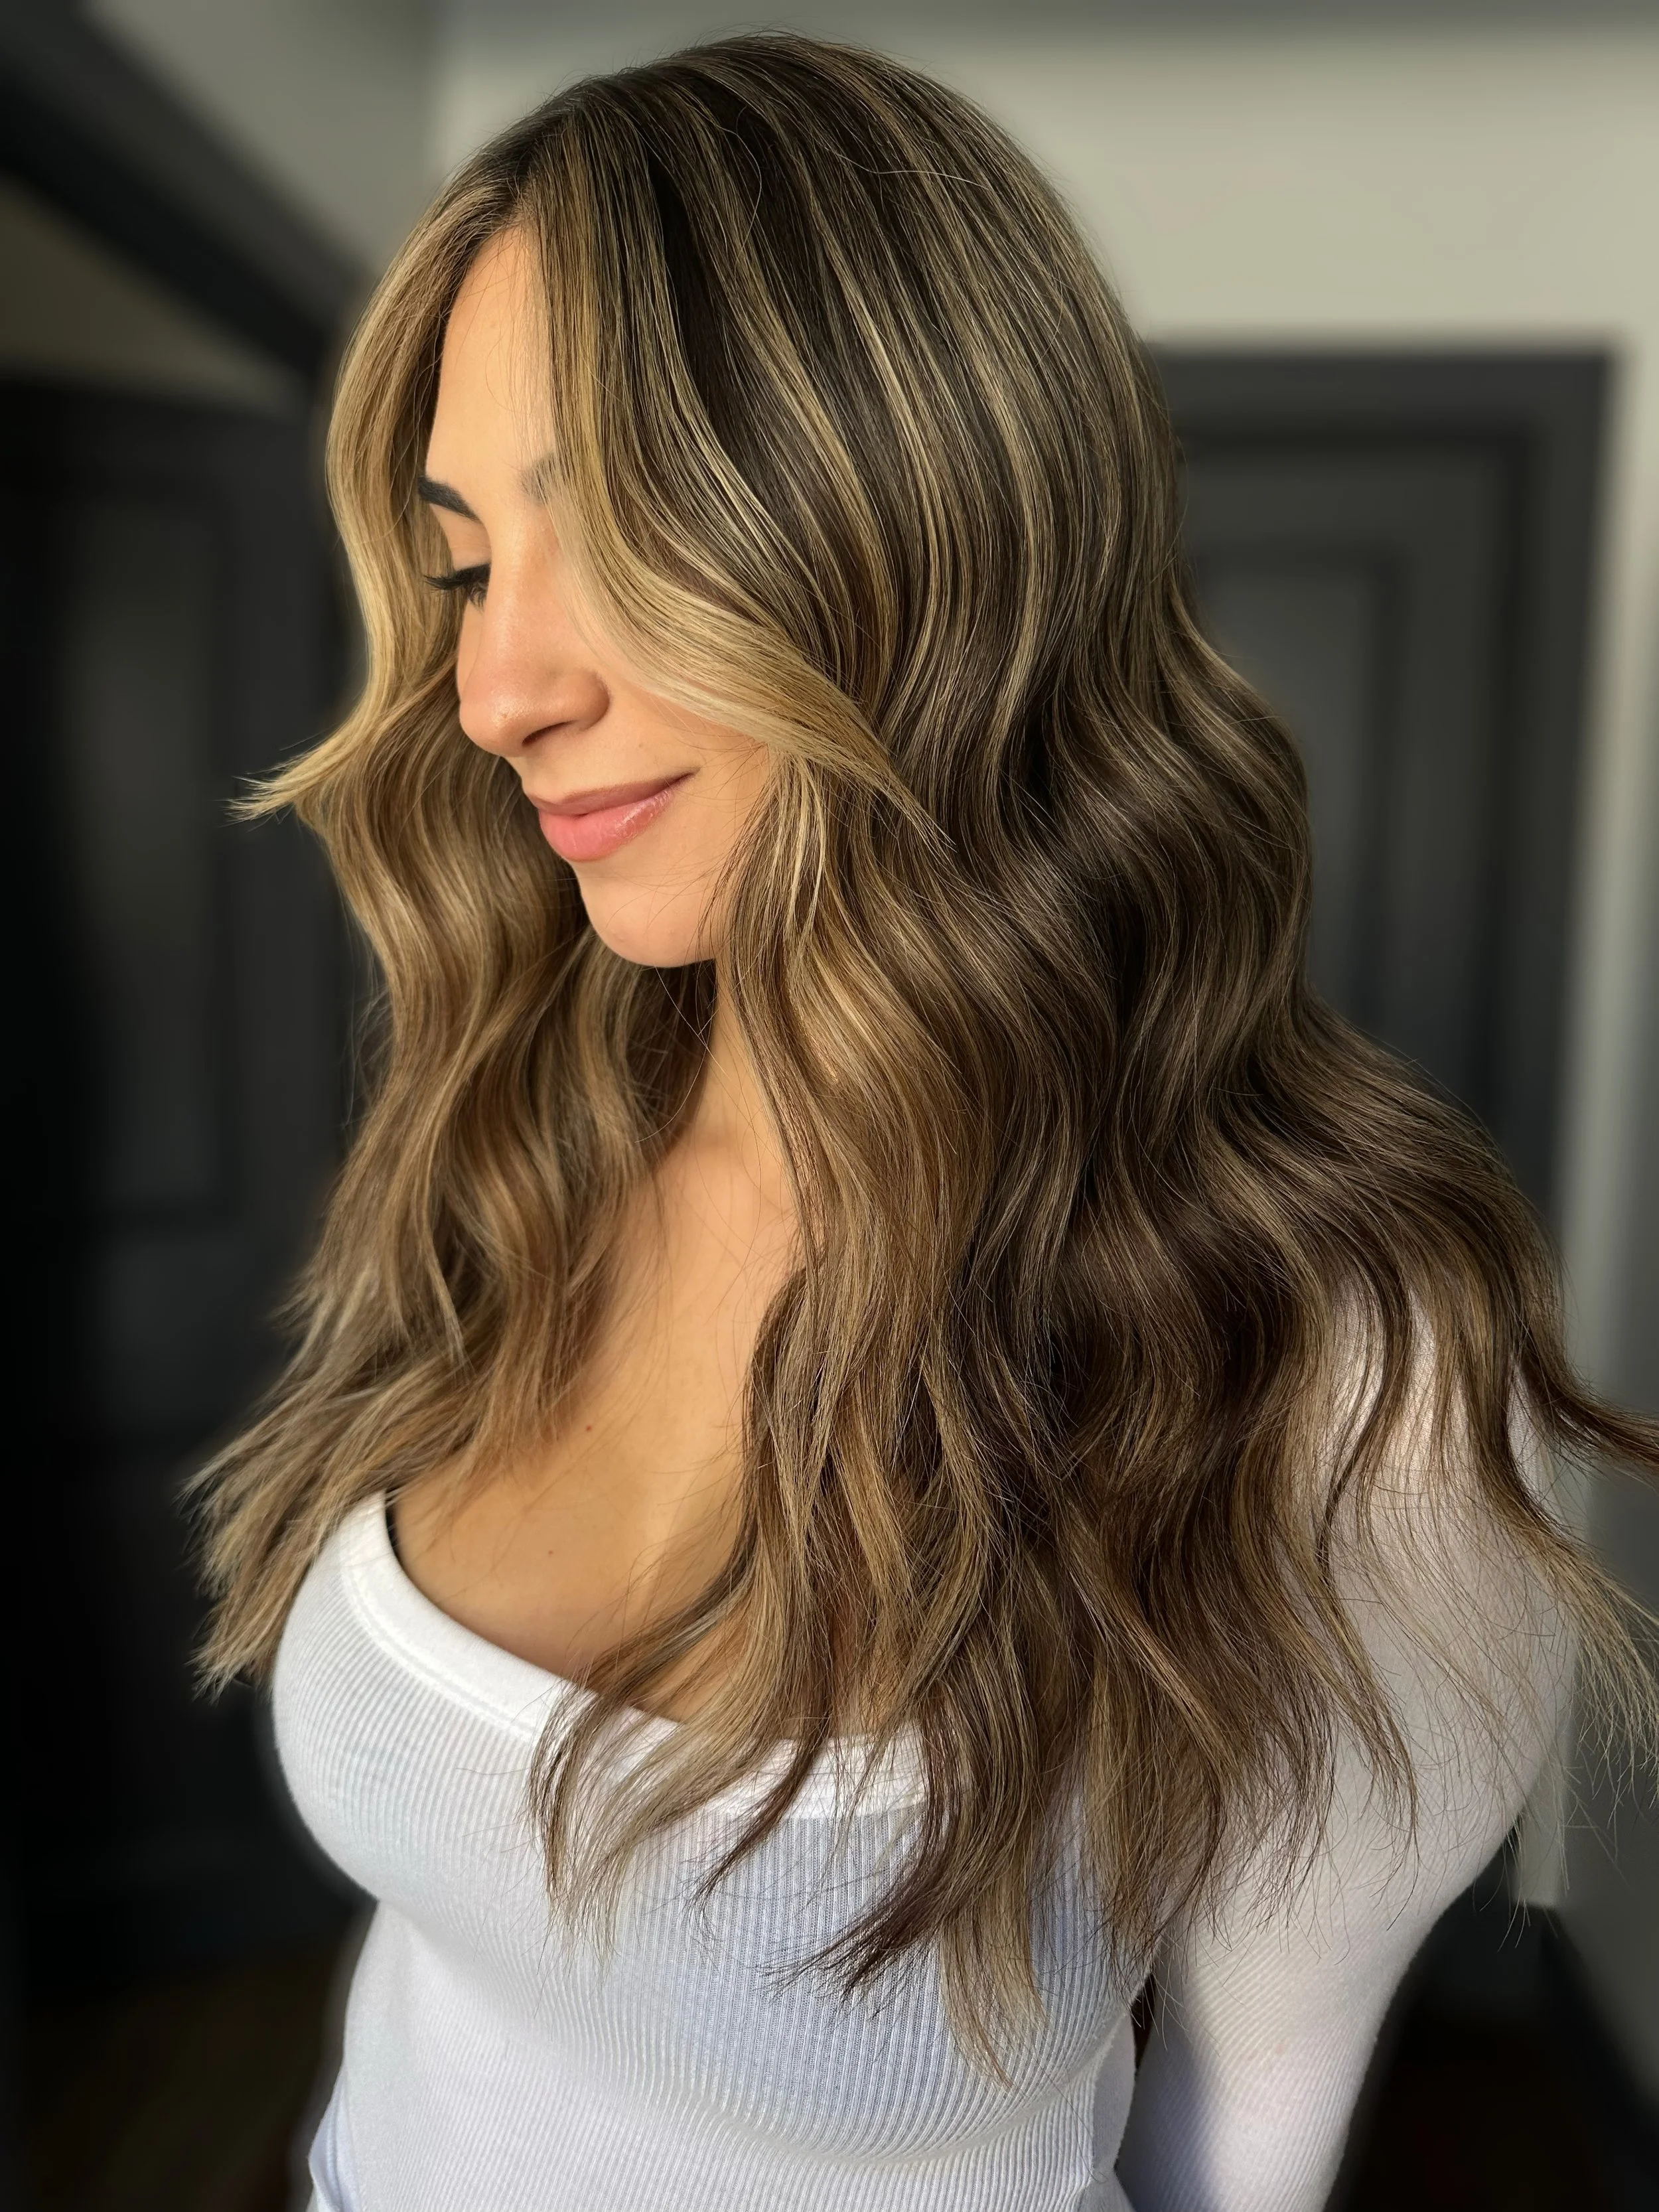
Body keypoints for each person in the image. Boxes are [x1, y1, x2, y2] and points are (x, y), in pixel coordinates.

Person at [192, 33, 1658, 2212]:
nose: (498, 685)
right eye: (468, 556)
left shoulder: (1341, 1363)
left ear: (931, 513)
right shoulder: (526, 1125)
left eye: (619, 517)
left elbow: (1234, 2157)